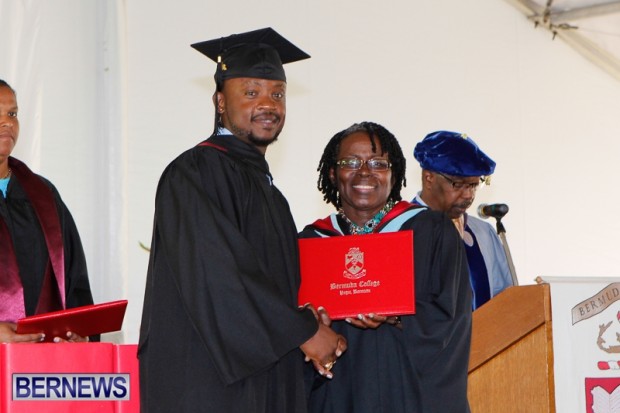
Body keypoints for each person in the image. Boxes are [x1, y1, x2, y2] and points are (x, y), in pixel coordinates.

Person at [138, 28, 347, 413]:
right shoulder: (193, 173)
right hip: (208, 384)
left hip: (260, 379)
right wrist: (302, 330)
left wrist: (309, 318)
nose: (268, 104)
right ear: (220, 101)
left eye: (277, 94)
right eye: (251, 92)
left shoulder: (271, 194)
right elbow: (219, 274)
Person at [300, 122, 472, 413]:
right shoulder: (310, 243)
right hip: (337, 396)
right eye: (350, 162)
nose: (364, 172)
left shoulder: (431, 231)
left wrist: (398, 316)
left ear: (394, 174)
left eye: (378, 163)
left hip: (409, 395)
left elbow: (452, 318)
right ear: (332, 173)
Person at [0, 79, 94, 343]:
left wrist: (79, 332)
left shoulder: (42, 195)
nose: (7, 122)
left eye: (12, 114)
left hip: (42, 361)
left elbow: (73, 281)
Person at [412, 130, 513, 310]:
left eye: (474, 185)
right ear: (429, 178)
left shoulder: (483, 232)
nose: (468, 195)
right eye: (458, 184)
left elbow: (505, 300)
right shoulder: (402, 229)